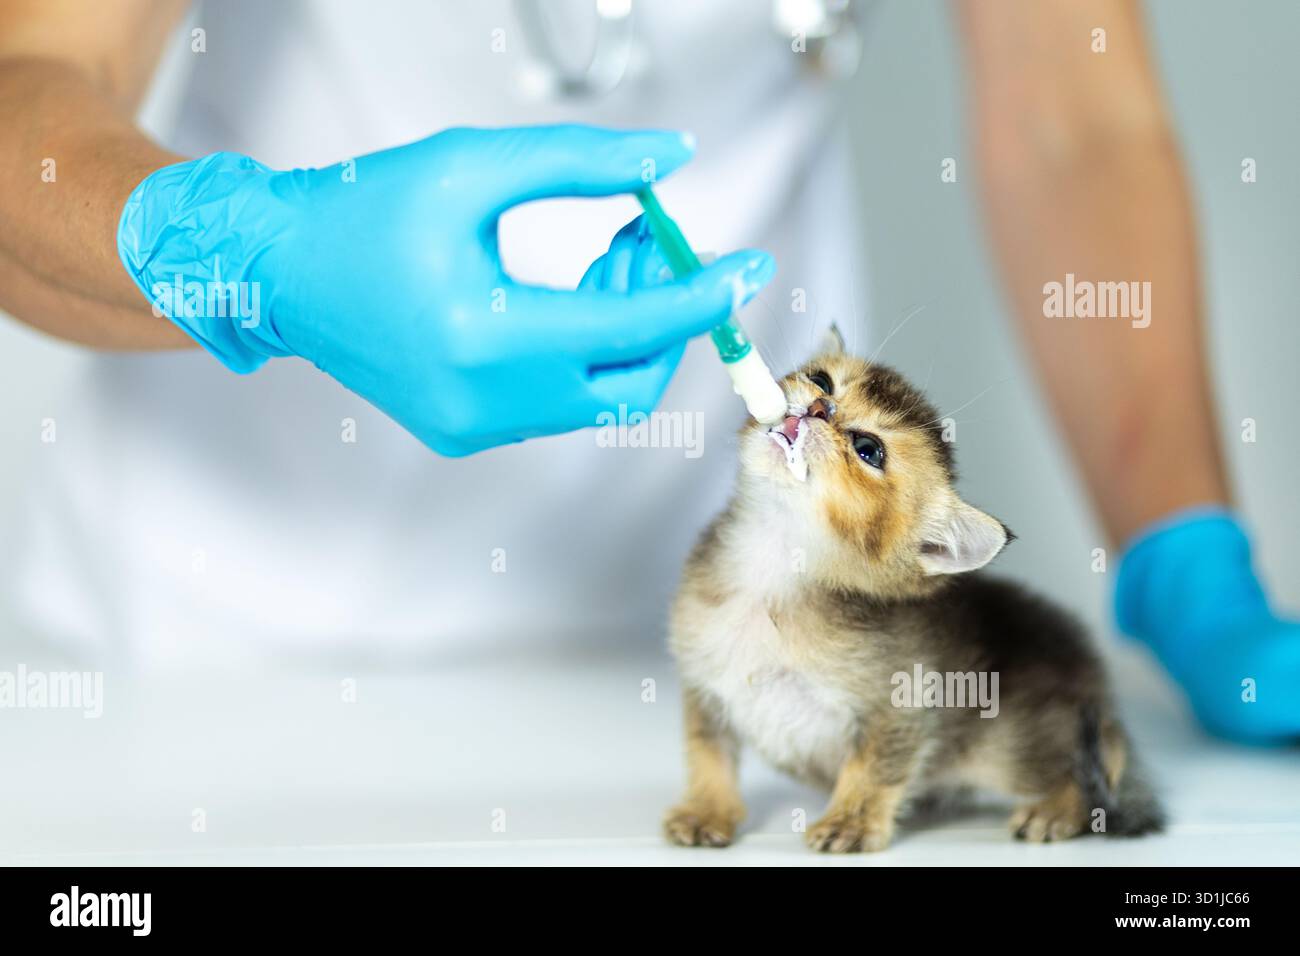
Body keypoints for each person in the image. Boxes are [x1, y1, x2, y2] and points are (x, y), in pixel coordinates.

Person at [0, 0, 1293, 739]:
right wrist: (257, 261)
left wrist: (1187, 552)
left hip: (726, 669)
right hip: (211, 658)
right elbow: (30, 85)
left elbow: (1070, 118)